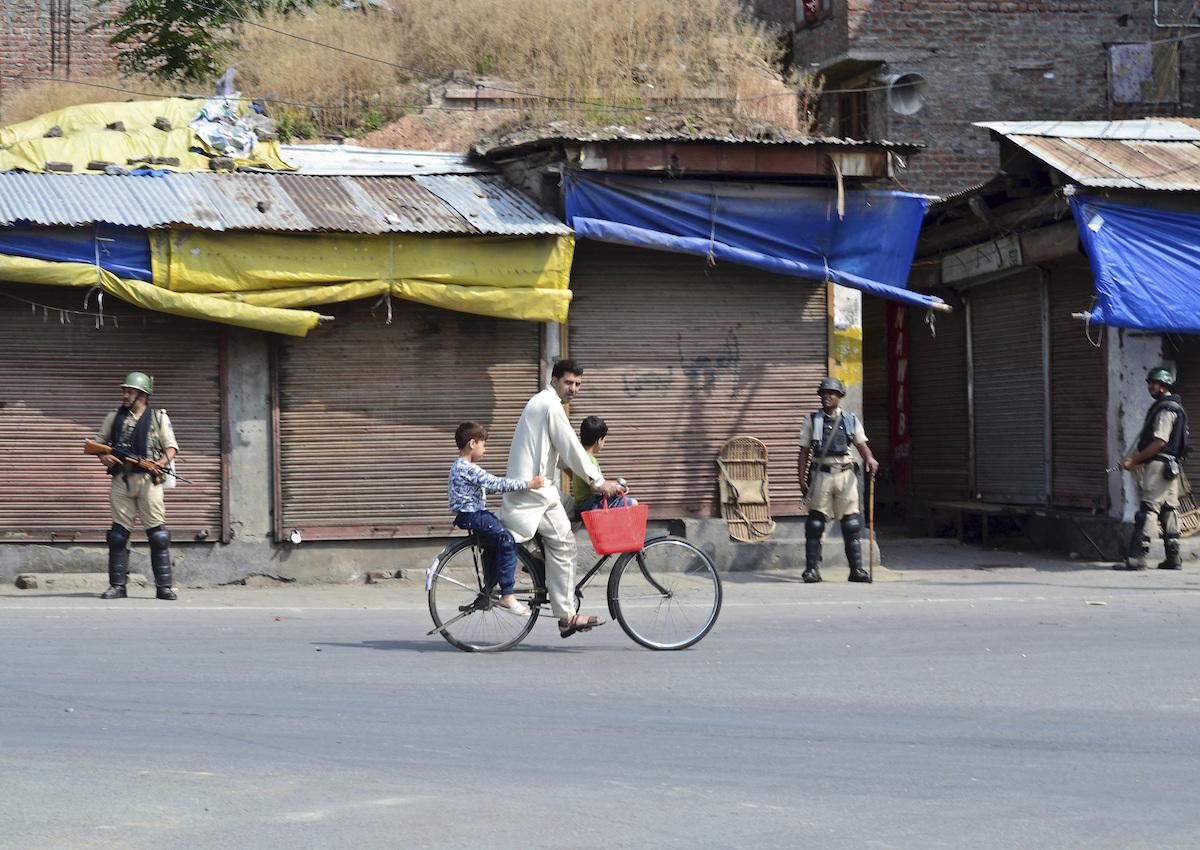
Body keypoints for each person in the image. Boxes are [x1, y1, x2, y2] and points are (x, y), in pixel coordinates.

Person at [500, 359, 624, 638]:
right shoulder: (550, 405)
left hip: (540, 491)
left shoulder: (541, 403)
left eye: (578, 384)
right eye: (568, 382)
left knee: (577, 509)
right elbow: (571, 446)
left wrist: (579, 475)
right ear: (554, 380)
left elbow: (553, 452)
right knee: (566, 546)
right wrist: (599, 481)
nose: (573, 389)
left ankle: (541, 563)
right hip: (536, 497)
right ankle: (567, 616)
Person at [94, 372, 180, 600]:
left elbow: (171, 447)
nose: (125, 395)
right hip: (122, 480)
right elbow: (99, 444)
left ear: (142, 394)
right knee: (117, 536)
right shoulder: (114, 416)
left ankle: (163, 587)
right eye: (124, 390)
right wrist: (104, 458)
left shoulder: (158, 417)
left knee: (158, 536)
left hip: (148, 482)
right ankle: (118, 585)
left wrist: (159, 464)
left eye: (129, 391)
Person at [447, 421, 545, 614]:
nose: (484, 449)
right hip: (474, 515)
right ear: (472, 443)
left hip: (469, 515)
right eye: (483, 444)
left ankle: (488, 593)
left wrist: (514, 488)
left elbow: (486, 488)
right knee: (507, 540)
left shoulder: (458, 467)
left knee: (493, 547)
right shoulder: (468, 468)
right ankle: (508, 595)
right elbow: (496, 483)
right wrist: (529, 484)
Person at [797, 376, 879, 584]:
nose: (826, 397)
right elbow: (804, 451)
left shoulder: (850, 420)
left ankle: (856, 569)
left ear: (840, 397)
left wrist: (869, 458)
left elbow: (861, 444)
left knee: (851, 523)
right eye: (824, 393)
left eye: (831, 393)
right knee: (815, 523)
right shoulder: (812, 420)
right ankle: (811, 570)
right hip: (821, 474)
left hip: (845, 474)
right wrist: (800, 478)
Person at [1119, 367, 1189, 571]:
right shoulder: (1177, 407)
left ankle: (1137, 557)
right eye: (1150, 382)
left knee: (1148, 510)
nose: (1150, 386)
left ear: (1163, 385)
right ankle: (1173, 558)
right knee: (1169, 510)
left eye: (1154, 383)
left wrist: (1134, 460)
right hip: (1171, 466)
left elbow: (1159, 441)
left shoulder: (1166, 409)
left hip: (1158, 465)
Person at [572, 416, 638, 516]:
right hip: (589, 504)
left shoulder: (579, 457)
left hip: (583, 503)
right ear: (599, 441)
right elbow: (595, 487)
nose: (604, 443)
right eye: (604, 439)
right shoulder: (589, 460)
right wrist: (615, 487)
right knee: (633, 503)